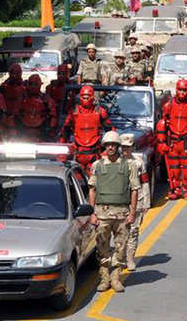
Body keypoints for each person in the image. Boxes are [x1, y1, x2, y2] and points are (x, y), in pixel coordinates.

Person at [88, 131, 139, 293]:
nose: (110, 147)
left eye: (114, 145)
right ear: (104, 146)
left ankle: (116, 278)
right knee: (102, 247)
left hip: (122, 214)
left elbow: (134, 190)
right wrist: (92, 213)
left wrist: (132, 213)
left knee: (121, 247)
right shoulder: (97, 165)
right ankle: (104, 278)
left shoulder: (129, 165)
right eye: (108, 145)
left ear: (118, 147)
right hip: (102, 214)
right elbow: (92, 190)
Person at [156, 80, 187, 201]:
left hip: (186, 142)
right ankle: (175, 189)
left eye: (184, 90)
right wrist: (162, 142)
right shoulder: (169, 105)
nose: (182, 93)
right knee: (174, 169)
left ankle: (185, 189)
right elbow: (163, 123)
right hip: (173, 142)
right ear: (176, 90)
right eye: (180, 90)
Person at [60, 85, 114, 176]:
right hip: (78, 154)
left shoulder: (100, 111)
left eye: (87, 97)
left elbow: (111, 131)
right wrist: (62, 152)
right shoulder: (74, 112)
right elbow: (65, 131)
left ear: (92, 97)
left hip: (94, 153)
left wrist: (108, 149)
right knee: (77, 181)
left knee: (95, 180)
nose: (85, 99)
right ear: (80, 97)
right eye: (83, 97)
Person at [120, 133, 151, 272]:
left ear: (132, 147)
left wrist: (146, 201)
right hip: (119, 202)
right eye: (123, 147)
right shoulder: (115, 162)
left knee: (133, 231)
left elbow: (144, 182)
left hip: (136, 202)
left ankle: (130, 258)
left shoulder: (138, 163)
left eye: (128, 147)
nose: (126, 150)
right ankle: (120, 258)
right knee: (120, 231)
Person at [19, 74, 58, 141]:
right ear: (27, 84)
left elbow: (53, 115)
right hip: (24, 131)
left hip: (41, 131)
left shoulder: (46, 99)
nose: (33, 86)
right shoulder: (22, 98)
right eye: (31, 84)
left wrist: (50, 129)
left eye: (35, 84)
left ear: (40, 85)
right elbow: (15, 113)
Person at [0, 63, 26, 135]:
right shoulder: (3, 87)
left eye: (16, 73)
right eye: (12, 73)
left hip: (21, 117)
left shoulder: (25, 86)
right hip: (7, 116)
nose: (14, 75)